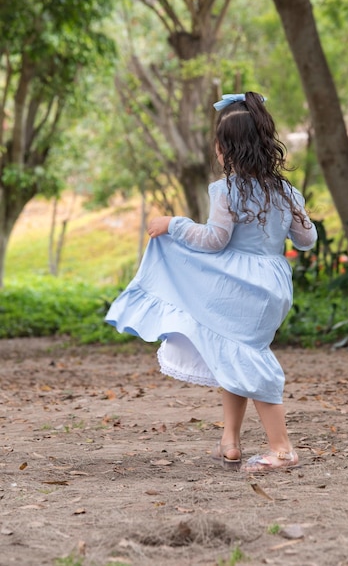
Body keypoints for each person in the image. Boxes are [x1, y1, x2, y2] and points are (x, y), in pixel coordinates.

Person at [105, 91, 317, 472]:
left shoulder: (227, 190)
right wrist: (295, 212)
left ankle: (282, 448)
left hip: (237, 286)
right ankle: (230, 441)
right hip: (273, 285)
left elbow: (214, 240)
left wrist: (174, 225)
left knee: (248, 356)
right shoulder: (286, 191)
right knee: (229, 350)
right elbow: (307, 240)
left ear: (227, 150)